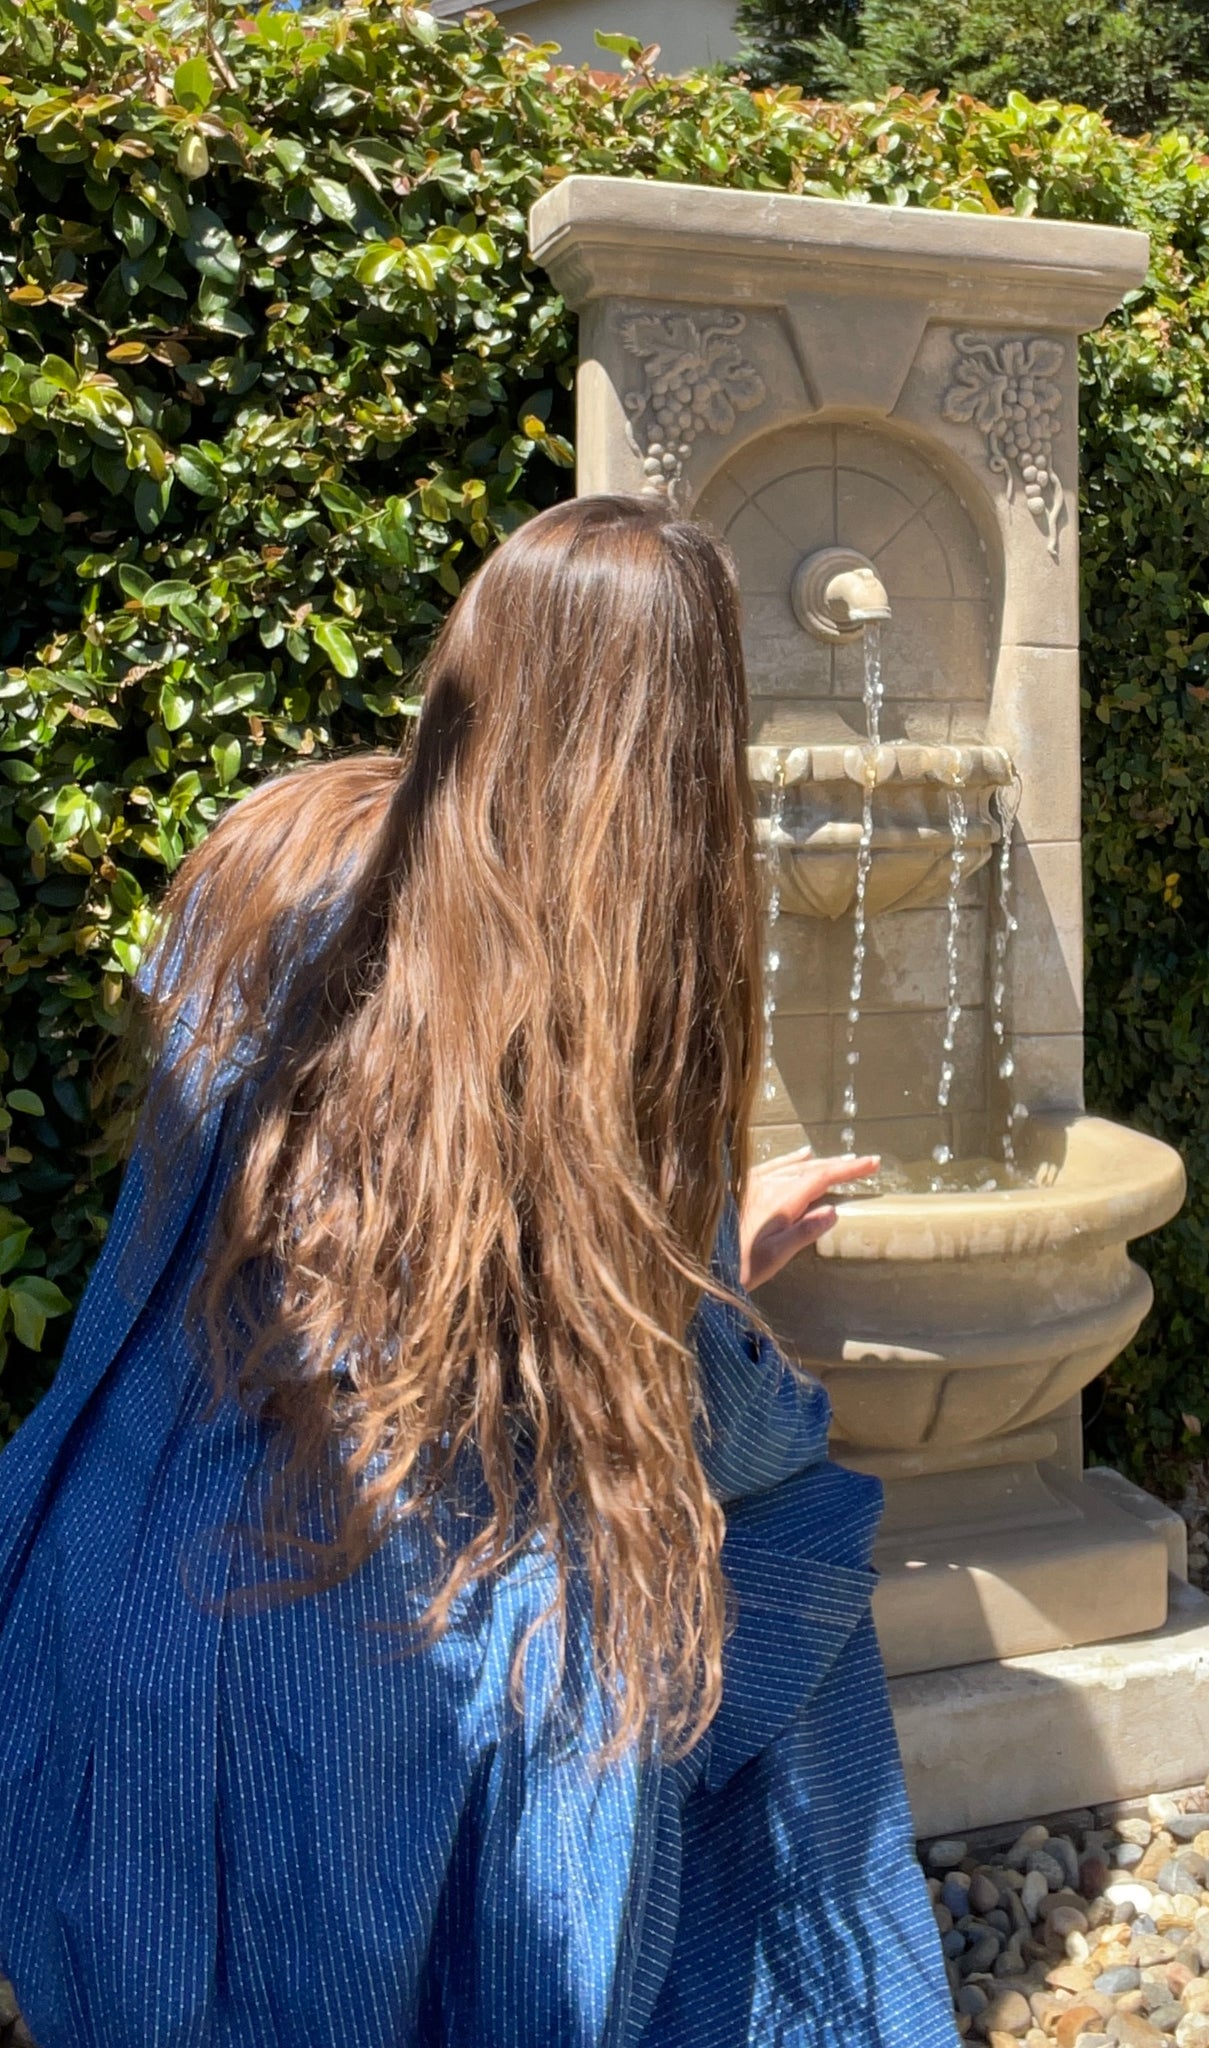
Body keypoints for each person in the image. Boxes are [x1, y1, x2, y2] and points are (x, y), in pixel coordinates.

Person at [0, 496, 956, 2046]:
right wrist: (723, 1294)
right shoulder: (621, 992)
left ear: (471, 659)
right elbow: (663, 1415)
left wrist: (698, 1236)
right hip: (387, 1661)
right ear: (693, 745)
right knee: (789, 1559)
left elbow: (237, 1224)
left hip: (128, 1573)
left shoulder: (272, 857)